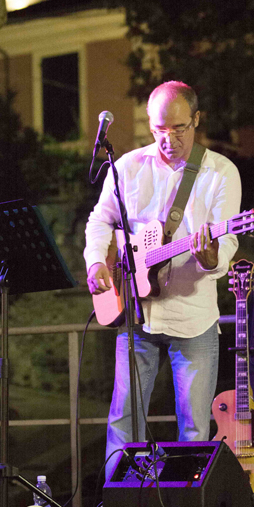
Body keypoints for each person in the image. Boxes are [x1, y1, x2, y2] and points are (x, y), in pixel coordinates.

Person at [84, 81, 242, 478]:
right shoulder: (128, 167)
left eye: (178, 128)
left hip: (193, 320)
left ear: (197, 120)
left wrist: (211, 258)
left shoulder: (221, 172)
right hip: (136, 314)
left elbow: (226, 242)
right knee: (124, 420)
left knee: (194, 428)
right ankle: (117, 503)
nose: (168, 139)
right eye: (159, 130)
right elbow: (101, 220)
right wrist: (96, 261)